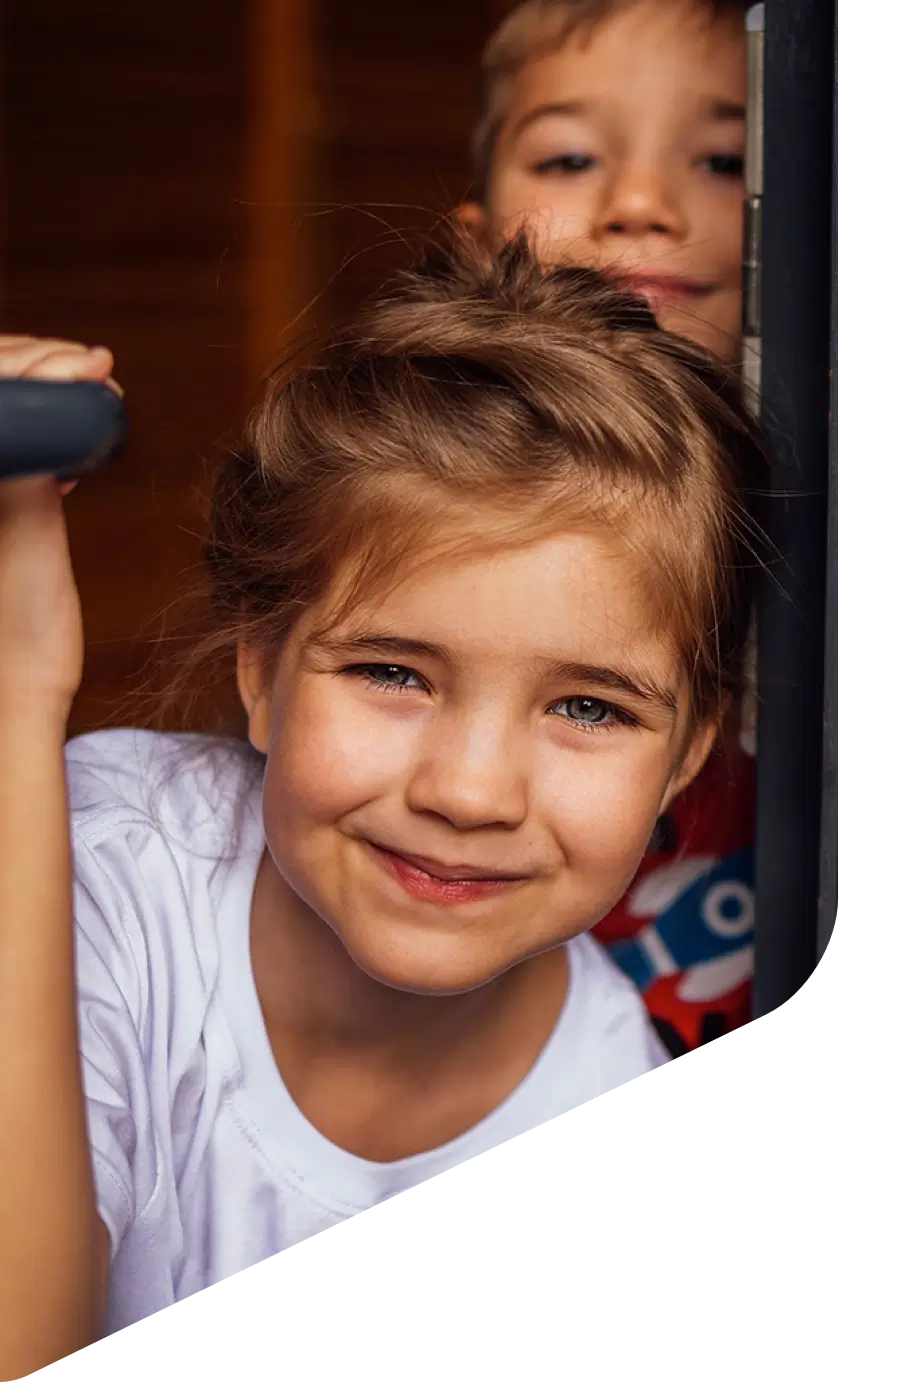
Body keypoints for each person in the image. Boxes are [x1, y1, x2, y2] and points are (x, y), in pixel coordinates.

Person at [0, 233, 768, 1373]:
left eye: (591, 708)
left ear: (684, 754)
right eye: (392, 672)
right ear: (260, 670)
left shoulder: (619, 1136)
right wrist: (18, 687)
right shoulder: (104, 865)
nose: (466, 792)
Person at [457, 0, 756, 1055]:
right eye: (571, 155)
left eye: (722, 158)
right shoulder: (408, 476)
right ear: (476, 236)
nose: (636, 203)